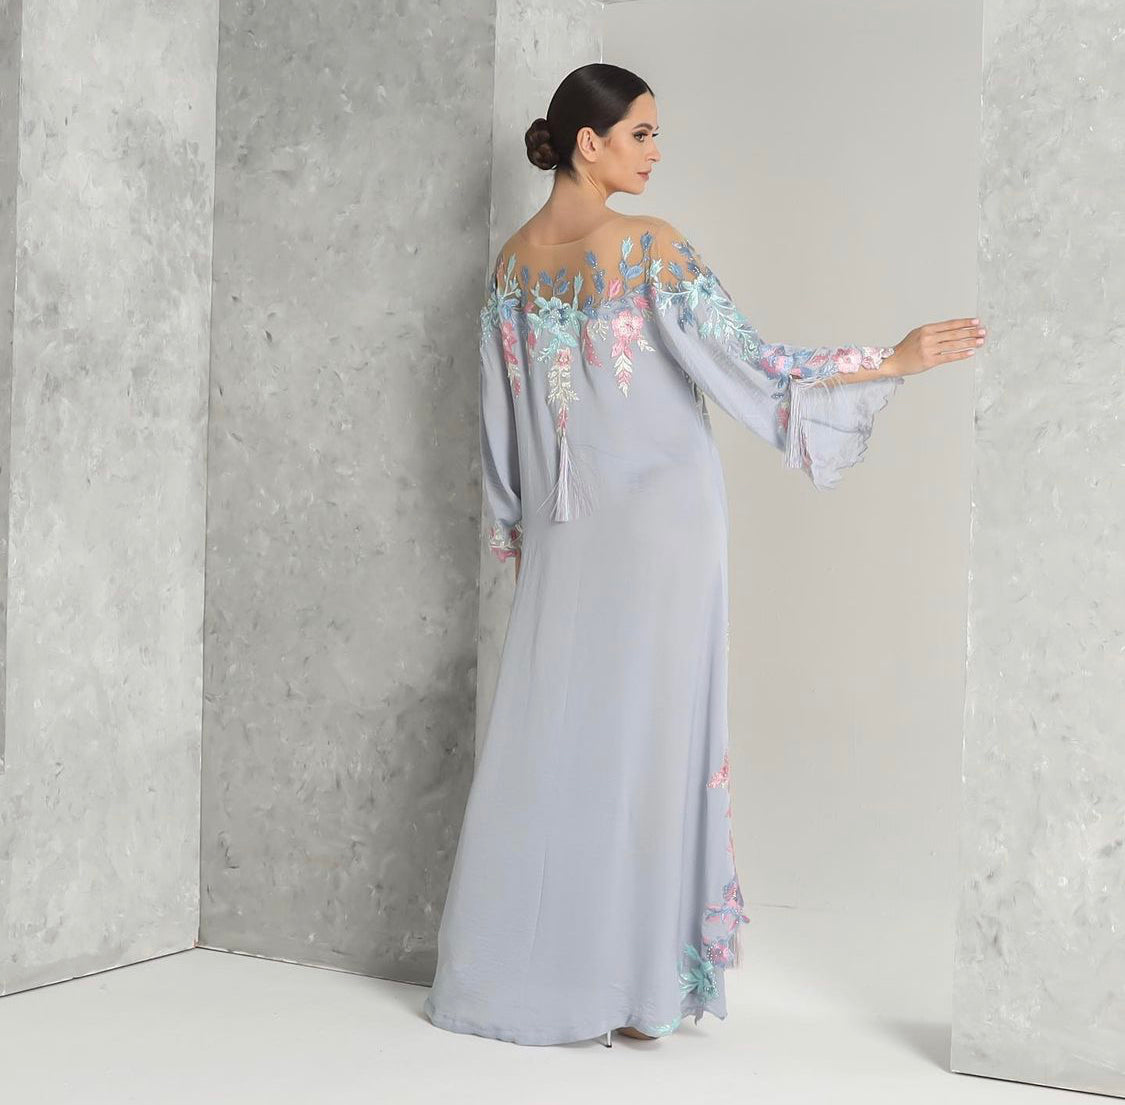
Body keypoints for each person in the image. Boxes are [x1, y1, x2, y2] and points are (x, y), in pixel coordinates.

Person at [422, 63, 986, 1048]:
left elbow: (498, 436)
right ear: (589, 143)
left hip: (564, 531)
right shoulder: (645, 245)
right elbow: (754, 366)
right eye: (641, 133)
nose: (656, 151)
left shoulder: (510, 267)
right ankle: (634, 986)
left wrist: (523, 537)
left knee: (558, 735)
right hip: (665, 526)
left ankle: (539, 976)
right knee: (655, 741)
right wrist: (886, 360)